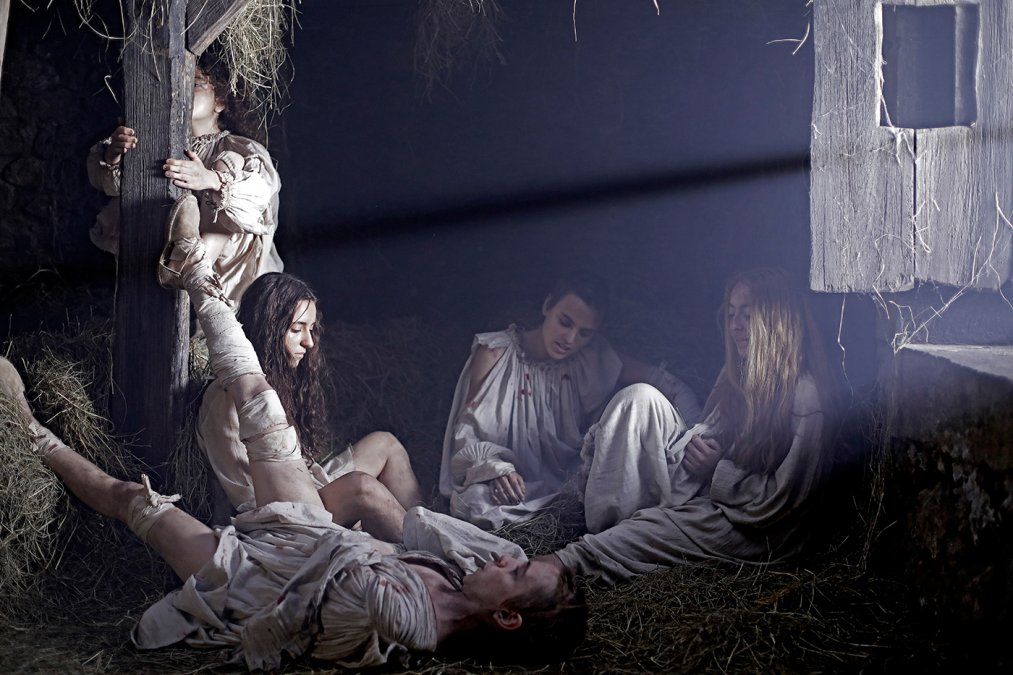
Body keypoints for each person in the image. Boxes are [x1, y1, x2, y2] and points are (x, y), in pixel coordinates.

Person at [0, 196, 586, 668]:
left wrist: (355, 529)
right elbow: (454, 542)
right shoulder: (464, 580)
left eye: (515, 574)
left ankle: (28, 428)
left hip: (256, 578)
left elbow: (317, 591)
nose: (506, 560)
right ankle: (195, 270)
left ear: (506, 616)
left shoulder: (403, 619)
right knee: (260, 402)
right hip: (302, 532)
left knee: (135, 500)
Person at [533, 267, 838, 584]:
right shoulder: (737, 373)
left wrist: (716, 471)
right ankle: (609, 526)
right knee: (639, 399)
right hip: (715, 491)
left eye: (748, 315)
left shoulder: (805, 399)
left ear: (777, 320)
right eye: (731, 314)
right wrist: (692, 449)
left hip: (754, 525)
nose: (735, 325)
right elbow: (711, 430)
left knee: (650, 531)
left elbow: (782, 504)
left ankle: (587, 553)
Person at [439, 272, 701, 529]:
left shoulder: (591, 356)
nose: (570, 339)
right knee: (475, 502)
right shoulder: (494, 353)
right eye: (565, 322)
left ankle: (575, 514)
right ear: (547, 306)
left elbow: (666, 382)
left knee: (620, 479)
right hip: (511, 481)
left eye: (584, 333)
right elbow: (467, 432)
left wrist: (696, 434)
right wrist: (495, 470)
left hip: (570, 481)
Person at [197, 271, 423, 541]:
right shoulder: (231, 400)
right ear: (268, 330)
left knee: (385, 444)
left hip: (308, 486)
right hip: (286, 511)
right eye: (296, 329)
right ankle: (425, 552)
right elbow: (252, 497)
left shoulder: (274, 381)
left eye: (311, 329)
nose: (309, 342)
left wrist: (318, 485)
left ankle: (431, 529)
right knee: (360, 486)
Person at [86, 56, 282, 307]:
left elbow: (261, 195)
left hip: (226, 278)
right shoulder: (158, 146)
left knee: (228, 163)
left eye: (195, 84)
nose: (183, 93)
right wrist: (114, 154)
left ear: (220, 101)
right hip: (158, 262)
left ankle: (193, 270)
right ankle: (172, 272)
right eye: (178, 86)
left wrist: (212, 179)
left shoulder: (239, 148)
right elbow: (111, 186)